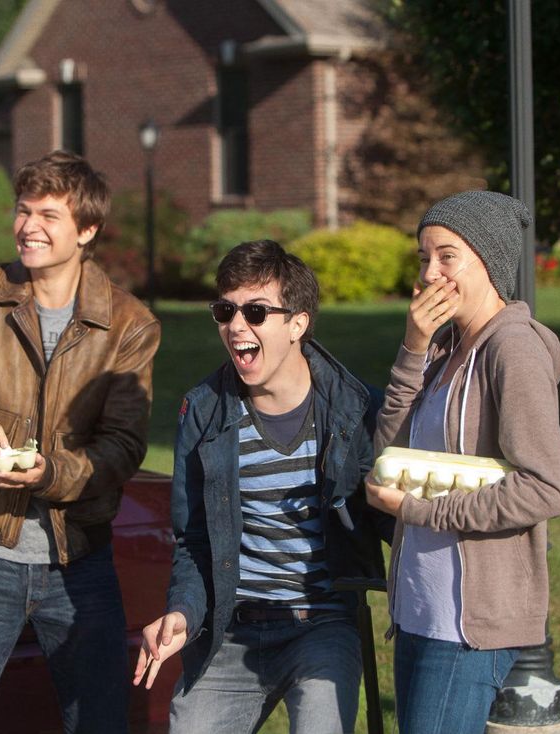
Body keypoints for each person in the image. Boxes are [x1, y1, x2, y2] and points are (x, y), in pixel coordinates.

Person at [0, 150, 161, 734]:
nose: (29, 226)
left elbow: (122, 448)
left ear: (87, 230)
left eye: (49, 215)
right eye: (24, 211)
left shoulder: (130, 324)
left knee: (101, 725)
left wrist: (48, 472)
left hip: (80, 563)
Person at [133, 240, 393, 734]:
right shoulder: (203, 410)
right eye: (225, 311)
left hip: (321, 623)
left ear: (298, 324)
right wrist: (183, 612)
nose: (236, 326)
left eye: (255, 311)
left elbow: (391, 518)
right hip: (231, 628)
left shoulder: (354, 410)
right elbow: (193, 539)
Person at [365, 191, 560, 734]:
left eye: (447, 256)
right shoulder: (442, 349)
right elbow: (388, 453)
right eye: (423, 257)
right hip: (420, 608)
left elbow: (546, 488)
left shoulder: (514, 349)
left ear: (490, 261)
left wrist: (418, 510)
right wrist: (413, 347)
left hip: (470, 626)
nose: (430, 273)